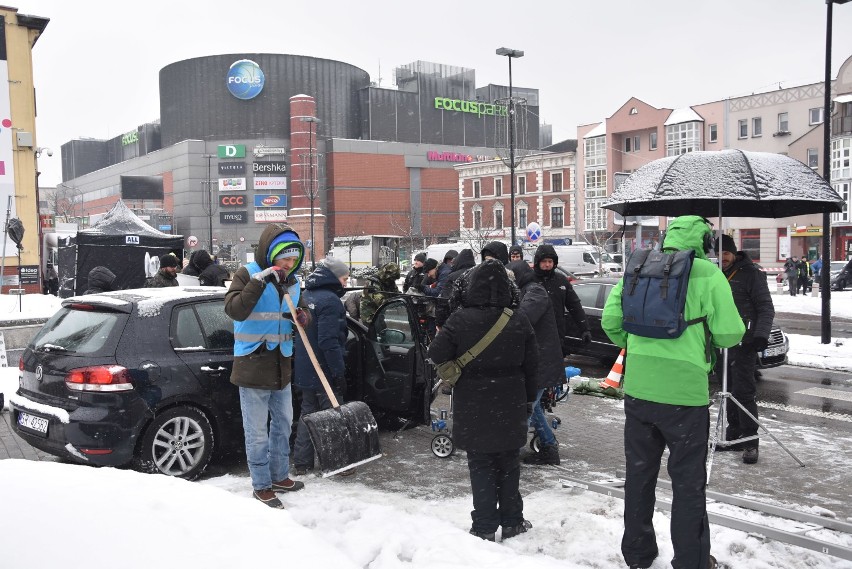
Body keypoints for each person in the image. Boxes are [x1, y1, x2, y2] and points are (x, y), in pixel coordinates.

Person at [601, 215, 745, 569]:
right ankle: (691, 560)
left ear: (667, 238)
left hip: (639, 390)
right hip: (685, 396)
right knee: (688, 485)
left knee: (639, 475)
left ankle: (637, 554)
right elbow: (730, 334)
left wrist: (637, 346)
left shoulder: (640, 265)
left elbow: (611, 322)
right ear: (704, 243)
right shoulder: (709, 274)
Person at [427, 259, 538, 542]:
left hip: (474, 401)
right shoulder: (518, 319)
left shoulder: (460, 319)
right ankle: (513, 521)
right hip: (511, 399)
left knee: (481, 465)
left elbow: (436, 352)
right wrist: (527, 401)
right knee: (510, 463)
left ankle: (485, 526)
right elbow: (532, 364)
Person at [224, 223, 310, 509]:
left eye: (293, 260)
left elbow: (298, 308)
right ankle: (261, 484)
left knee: (283, 425)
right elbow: (235, 309)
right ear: (270, 254)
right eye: (284, 259)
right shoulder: (247, 274)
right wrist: (260, 280)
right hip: (252, 363)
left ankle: (279, 475)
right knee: (257, 431)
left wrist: (302, 314)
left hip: (281, 363)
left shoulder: (293, 281)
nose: (288, 264)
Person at [715, 234, 775, 465]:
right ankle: (734, 435)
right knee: (726, 390)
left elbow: (766, 307)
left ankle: (751, 442)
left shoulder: (752, 275)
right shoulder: (715, 275)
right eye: (718, 255)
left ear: (734, 253)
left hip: (745, 343)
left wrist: (760, 336)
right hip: (722, 343)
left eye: (726, 254)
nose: (722, 259)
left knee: (744, 393)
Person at [292, 258, 353, 477]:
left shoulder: (305, 297)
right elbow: (329, 341)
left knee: (308, 413)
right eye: (344, 278)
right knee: (332, 416)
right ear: (334, 277)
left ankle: (302, 463)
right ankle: (337, 463)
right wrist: (338, 372)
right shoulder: (331, 301)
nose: (346, 283)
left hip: (305, 367)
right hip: (323, 370)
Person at [507, 260, 565, 466]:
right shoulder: (528, 291)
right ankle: (548, 447)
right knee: (533, 407)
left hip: (543, 362)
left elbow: (523, 318)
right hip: (540, 361)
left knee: (527, 407)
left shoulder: (535, 292)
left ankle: (513, 452)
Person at [533, 244, 591, 353]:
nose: (547, 265)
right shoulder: (530, 280)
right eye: (544, 261)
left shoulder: (561, 280)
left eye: (550, 262)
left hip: (557, 334)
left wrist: (585, 329)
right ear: (538, 262)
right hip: (535, 334)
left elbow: (574, 306)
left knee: (555, 367)